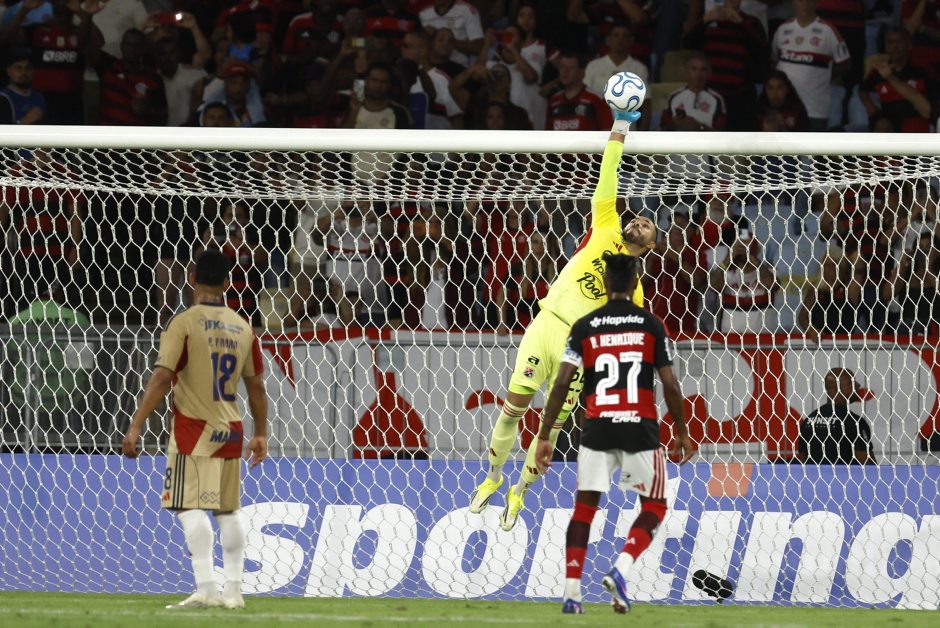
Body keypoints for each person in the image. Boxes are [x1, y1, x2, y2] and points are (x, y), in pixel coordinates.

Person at [469, 108, 659, 532]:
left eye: (648, 225)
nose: (638, 221)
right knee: (511, 409)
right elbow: (607, 176)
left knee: (550, 429)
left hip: (578, 350)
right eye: (637, 217)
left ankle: (519, 491)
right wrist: (620, 127)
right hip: (546, 325)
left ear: (651, 246)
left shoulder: (635, 289)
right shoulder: (605, 226)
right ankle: (493, 477)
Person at [534, 253, 694, 614]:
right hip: (639, 427)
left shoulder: (585, 326)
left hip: (597, 427)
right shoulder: (650, 324)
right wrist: (682, 432)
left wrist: (545, 436)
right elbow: (670, 384)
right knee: (654, 505)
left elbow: (561, 384)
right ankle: (621, 568)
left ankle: (571, 593)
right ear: (636, 283)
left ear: (605, 283)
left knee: (585, 508)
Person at [121, 249, 269, 610]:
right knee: (228, 511)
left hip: (193, 430)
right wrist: (261, 433)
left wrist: (136, 425)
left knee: (187, 506)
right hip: (231, 428)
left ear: (191, 279)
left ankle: (206, 588)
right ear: (227, 283)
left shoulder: (184, 323)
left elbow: (162, 377)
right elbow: (256, 387)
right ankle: (234, 592)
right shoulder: (243, 327)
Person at [771, 0, 850, 131]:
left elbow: (845, 63)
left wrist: (821, 77)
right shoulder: (782, 29)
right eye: (801, 1)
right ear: (793, 3)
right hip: (783, 108)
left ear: (816, 3)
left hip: (814, 109)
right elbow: (774, 60)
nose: (805, 5)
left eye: (809, 1)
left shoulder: (827, 30)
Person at [798, 368, 874, 464]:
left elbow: (802, 461)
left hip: (814, 474)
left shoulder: (809, 420)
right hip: (845, 474)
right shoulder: (854, 422)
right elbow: (867, 465)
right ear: (836, 388)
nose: (858, 385)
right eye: (851, 383)